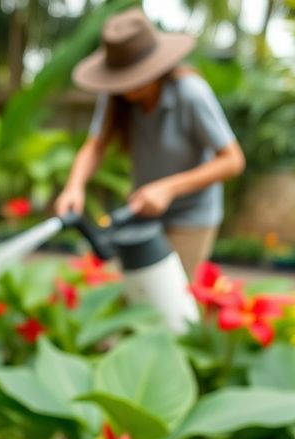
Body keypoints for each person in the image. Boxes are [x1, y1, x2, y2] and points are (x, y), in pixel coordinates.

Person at [56, 8, 245, 276]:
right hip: (145, 212)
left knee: (171, 301)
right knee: (135, 294)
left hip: (191, 216)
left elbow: (233, 161)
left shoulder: (190, 93)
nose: (127, 86)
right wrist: (74, 187)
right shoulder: (115, 98)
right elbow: (94, 145)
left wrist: (168, 188)